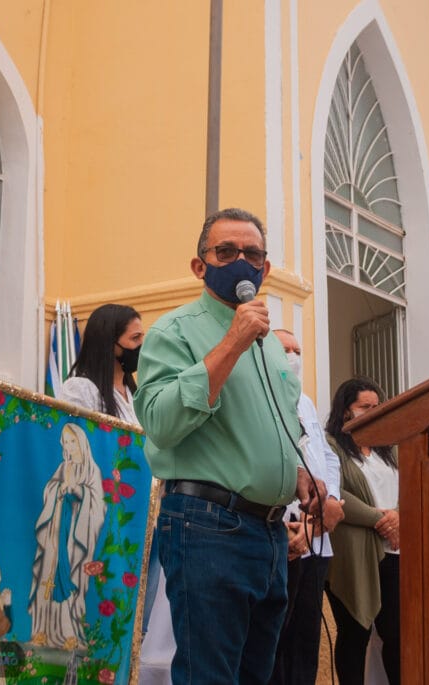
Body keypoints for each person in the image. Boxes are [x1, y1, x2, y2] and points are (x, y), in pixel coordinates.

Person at [133, 208, 318, 684]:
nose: (240, 260)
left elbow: (275, 426)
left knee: (257, 676)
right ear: (200, 265)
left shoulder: (272, 345)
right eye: (226, 251)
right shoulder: (173, 332)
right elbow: (159, 422)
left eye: (252, 253)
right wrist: (232, 343)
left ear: (265, 268)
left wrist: (297, 477)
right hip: (208, 527)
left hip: (272, 534)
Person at [270, 329, 345, 685]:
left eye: (298, 349)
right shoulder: (262, 396)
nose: (293, 355)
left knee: (306, 637)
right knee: (275, 639)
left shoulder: (307, 401)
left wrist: (330, 500)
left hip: (317, 538)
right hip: (285, 532)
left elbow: (328, 457)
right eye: (285, 348)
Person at [324, 378, 400, 685]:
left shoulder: (388, 447)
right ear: (345, 411)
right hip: (354, 554)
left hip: (394, 551)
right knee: (355, 632)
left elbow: (408, 485)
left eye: (376, 406)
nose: (373, 411)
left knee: (396, 634)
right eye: (364, 406)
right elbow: (335, 490)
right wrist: (378, 519)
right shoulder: (331, 445)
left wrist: (399, 517)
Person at [29, 423, 106, 649]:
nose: (68, 446)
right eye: (65, 441)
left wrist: (79, 491)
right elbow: (50, 489)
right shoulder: (63, 467)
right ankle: (42, 630)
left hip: (75, 537)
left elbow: (98, 505)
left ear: (81, 441)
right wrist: (58, 490)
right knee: (47, 576)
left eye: (72, 441)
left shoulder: (92, 470)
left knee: (71, 577)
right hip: (55, 533)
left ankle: (69, 633)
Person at [59, 303, 143, 426]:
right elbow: (75, 438)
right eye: (135, 338)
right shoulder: (81, 389)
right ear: (109, 343)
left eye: (142, 337)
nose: (142, 345)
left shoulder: (133, 392)